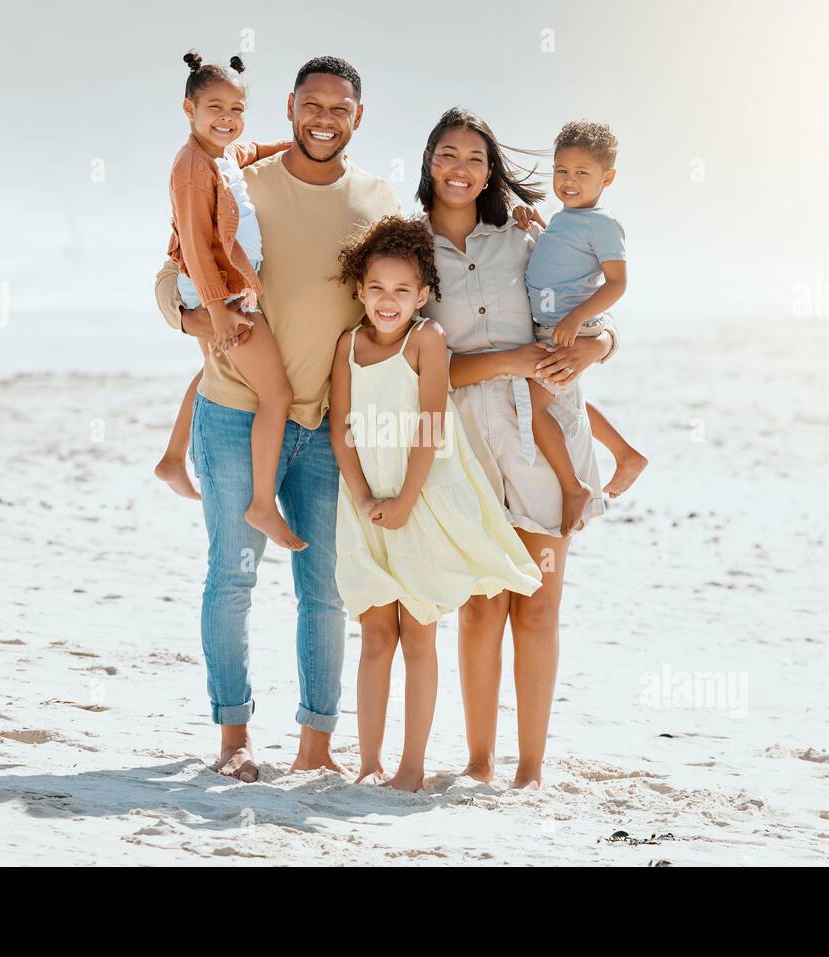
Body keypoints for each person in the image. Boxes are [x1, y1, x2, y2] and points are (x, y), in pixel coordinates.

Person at [153, 56, 399, 782]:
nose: (325, 118)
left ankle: (316, 744)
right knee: (231, 578)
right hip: (233, 411)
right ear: (290, 107)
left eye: (340, 108)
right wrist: (200, 320)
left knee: (323, 588)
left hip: (325, 424)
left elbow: (408, 297)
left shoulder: (377, 201)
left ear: (360, 115)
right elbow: (171, 271)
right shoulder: (238, 180)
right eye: (312, 104)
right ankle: (234, 736)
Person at [416, 107, 619, 788]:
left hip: (542, 436)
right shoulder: (410, 251)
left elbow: (588, 309)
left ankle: (530, 770)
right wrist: (509, 360)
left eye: (475, 157)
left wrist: (598, 343)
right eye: (448, 154)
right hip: (463, 443)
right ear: (429, 162)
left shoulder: (525, 242)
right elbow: (421, 368)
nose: (461, 168)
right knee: (479, 605)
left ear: (491, 170)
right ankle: (479, 762)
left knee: (537, 604)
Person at [328, 216, 542, 791]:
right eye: (376, 289)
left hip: (418, 503)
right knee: (374, 636)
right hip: (365, 504)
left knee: (418, 635)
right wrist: (366, 496)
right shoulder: (348, 344)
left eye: (402, 290)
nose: (387, 301)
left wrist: (403, 501)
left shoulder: (427, 339)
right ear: (359, 289)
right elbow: (339, 430)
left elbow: (431, 423)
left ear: (423, 294)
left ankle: (411, 766)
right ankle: (368, 761)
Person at [153, 51, 305, 549]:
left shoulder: (223, 156)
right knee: (277, 394)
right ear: (188, 109)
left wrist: (300, 143)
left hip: (224, 288)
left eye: (237, 109)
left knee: (217, 371)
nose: (227, 118)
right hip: (220, 291)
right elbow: (197, 245)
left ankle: (175, 459)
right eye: (215, 107)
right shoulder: (192, 168)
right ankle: (262, 504)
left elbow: (253, 150)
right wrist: (219, 310)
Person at [515, 120, 647, 532]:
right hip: (552, 329)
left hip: (572, 330)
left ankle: (574, 487)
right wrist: (536, 226)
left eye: (582, 174)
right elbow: (560, 258)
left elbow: (618, 283)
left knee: (533, 408)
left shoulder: (604, 223)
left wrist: (575, 318)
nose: (569, 181)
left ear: (607, 178)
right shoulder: (564, 217)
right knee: (561, 400)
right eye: (561, 172)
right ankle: (625, 455)